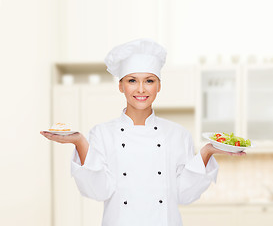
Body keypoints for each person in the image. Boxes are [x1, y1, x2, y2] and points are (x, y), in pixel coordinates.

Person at [40, 38, 245, 226]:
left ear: (159, 86)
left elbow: (184, 195)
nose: (141, 89)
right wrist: (80, 143)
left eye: (149, 81)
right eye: (132, 81)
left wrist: (206, 152)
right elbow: (98, 190)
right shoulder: (102, 133)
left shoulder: (178, 134)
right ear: (120, 86)